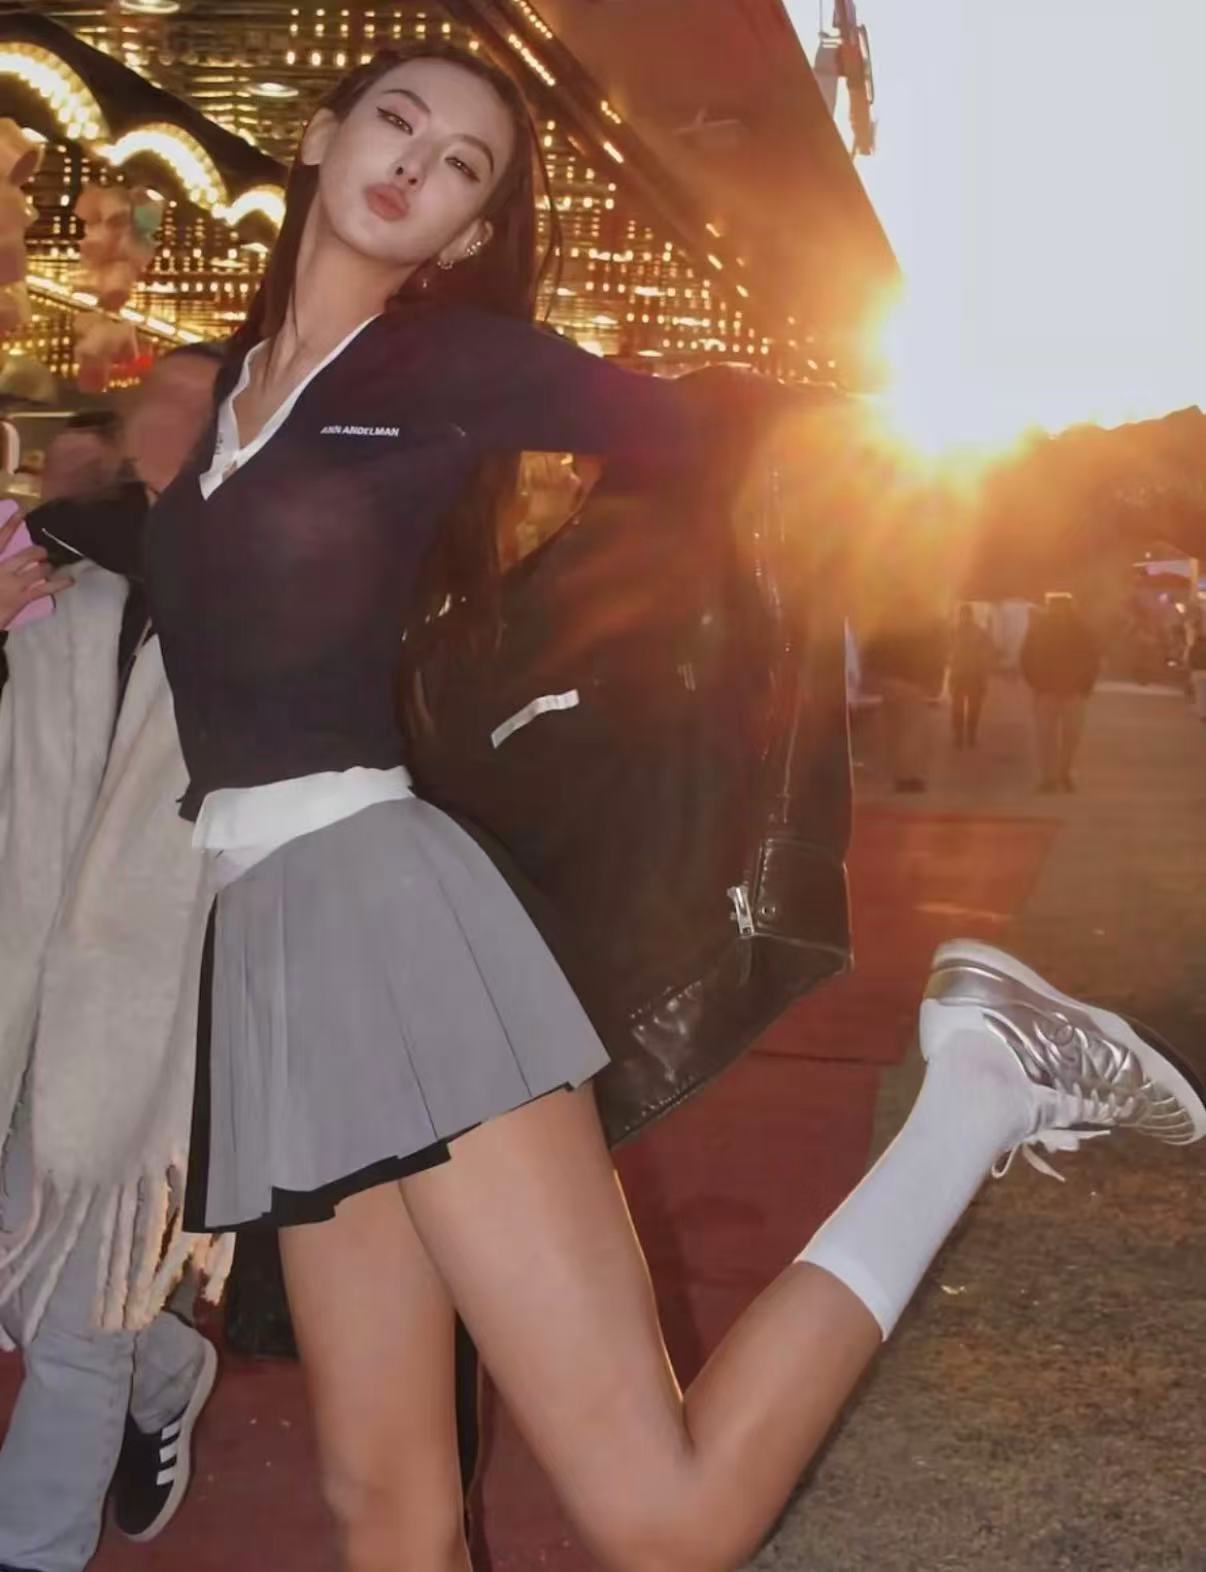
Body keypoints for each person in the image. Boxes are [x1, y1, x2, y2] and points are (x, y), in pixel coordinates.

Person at [130, 44, 1203, 1572]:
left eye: (462, 166)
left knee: (663, 1515)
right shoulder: (233, 394)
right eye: (398, 122)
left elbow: (716, 420)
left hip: (383, 910)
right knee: (388, 1514)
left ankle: (985, 1085)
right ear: (319, 136)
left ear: (465, 232)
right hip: (272, 947)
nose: (416, 164)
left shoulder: (439, 368)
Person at [0, 349, 226, 1572]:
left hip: (157, 1005)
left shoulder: (281, 589)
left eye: (204, 397)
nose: (172, 417)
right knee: (25, 1277)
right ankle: (170, 1361)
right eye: (161, 397)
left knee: (77, 1319)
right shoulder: (58, 566)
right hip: (17, 980)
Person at [1020, 591, 1100, 792]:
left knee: (1048, 738)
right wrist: (1085, 686)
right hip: (1067, 692)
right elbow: (1093, 659)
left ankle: (1052, 776)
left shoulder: (1042, 629)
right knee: (1068, 737)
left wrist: (1036, 684)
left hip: (1052, 691)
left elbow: (1025, 658)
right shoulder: (1081, 629)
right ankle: (1060, 774)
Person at [947, 602, 994, 748]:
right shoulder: (978, 633)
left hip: (964, 675)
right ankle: (966, 736)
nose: (963, 618)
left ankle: (962, 737)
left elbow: (949, 653)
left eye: (964, 615)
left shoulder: (954, 632)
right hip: (970, 675)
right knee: (968, 708)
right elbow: (986, 655)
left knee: (963, 708)